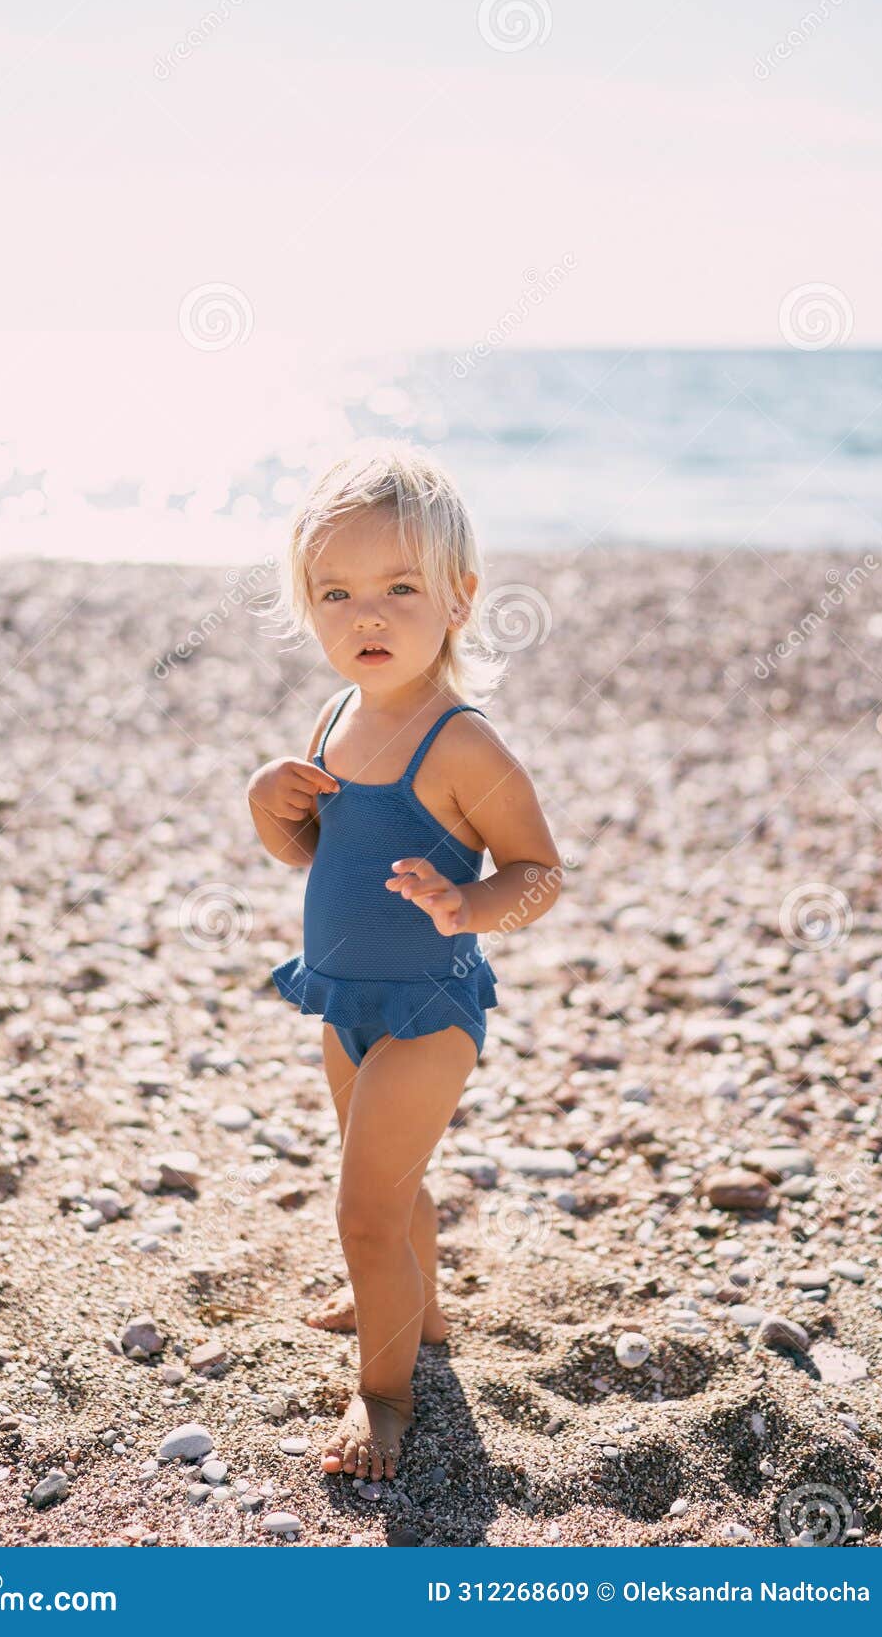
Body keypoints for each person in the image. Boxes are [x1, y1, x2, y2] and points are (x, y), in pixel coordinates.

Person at [247, 439, 562, 1483]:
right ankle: (411, 1306)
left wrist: (465, 900)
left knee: (363, 1203)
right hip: (342, 995)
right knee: (384, 1172)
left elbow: (539, 872)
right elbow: (319, 854)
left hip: (427, 1008)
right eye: (335, 592)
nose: (365, 615)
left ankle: (383, 1394)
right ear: (305, 604)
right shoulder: (335, 716)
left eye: (397, 588)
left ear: (458, 599)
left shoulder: (461, 743)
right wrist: (267, 814)